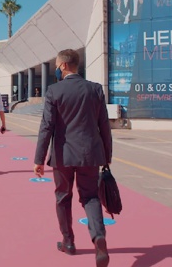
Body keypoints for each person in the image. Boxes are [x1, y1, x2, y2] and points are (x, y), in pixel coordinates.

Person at [33, 49, 112, 267]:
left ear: (64, 66)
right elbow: (103, 125)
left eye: (57, 66)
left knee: (62, 197)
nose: (56, 70)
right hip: (90, 154)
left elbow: (46, 126)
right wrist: (107, 154)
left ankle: (68, 242)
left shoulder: (54, 91)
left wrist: (39, 158)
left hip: (63, 155)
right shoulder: (95, 89)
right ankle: (99, 238)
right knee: (91, 197)